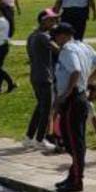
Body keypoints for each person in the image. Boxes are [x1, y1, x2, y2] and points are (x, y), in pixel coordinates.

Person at [51, 21, 96, 192]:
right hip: (79, 97)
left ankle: (77, 181)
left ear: (65, 35)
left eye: (57, 35)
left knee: (74, 143)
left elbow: (75, 71)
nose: (55, 38)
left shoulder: (67, 50)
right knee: (71, 140)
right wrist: (89, 81)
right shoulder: (84, 47)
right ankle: (73, 174)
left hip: (72, 100)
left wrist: (64, 95)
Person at [24, 8, 59, 150]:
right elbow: (58, 50)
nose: (55, 22)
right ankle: (40, 139)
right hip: (45, 76)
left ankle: (28, 137)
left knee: (40, 107)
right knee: (47, 108)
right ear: (44, 21)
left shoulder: (32, 36)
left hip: (35, 75)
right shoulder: (44, 37)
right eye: (52, 20)